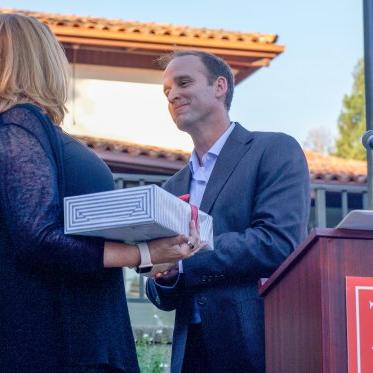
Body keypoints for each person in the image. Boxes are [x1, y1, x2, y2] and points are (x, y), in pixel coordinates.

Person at [0, 14, 203, 373]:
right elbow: (37, 237)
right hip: (57, 340)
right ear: (43, 60)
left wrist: (149, 252)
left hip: (81, 331)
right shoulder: (19, 123)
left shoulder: (33, 127)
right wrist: (141, 250)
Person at [146, 50, 310, 373]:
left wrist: (183, 260)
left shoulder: (274, 151)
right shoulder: (169, 188)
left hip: (255, 346)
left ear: (220, 86)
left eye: (183, 82)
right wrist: (163, 276)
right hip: (189, 351)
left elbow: (277, 243)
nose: (173, 94)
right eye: (167, 91)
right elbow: (160, 289)